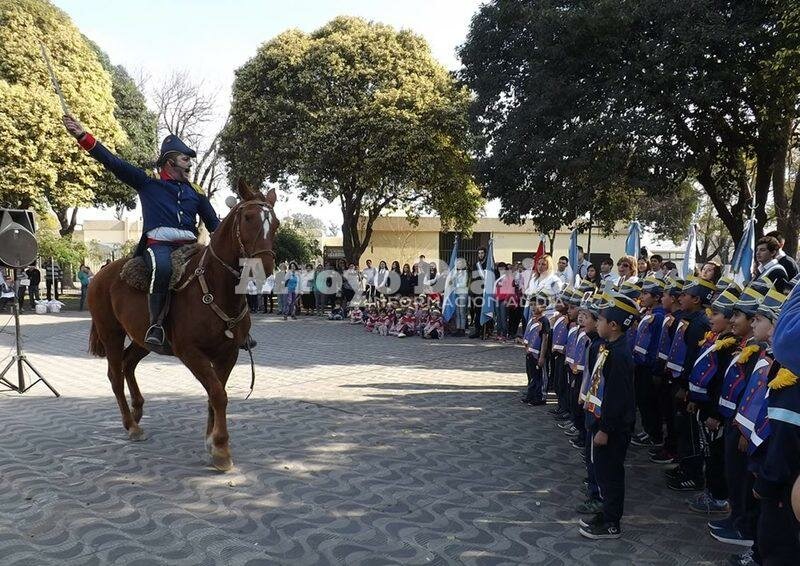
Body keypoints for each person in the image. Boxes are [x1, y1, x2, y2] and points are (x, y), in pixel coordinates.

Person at [63, 115, 220, 350]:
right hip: (159, 245)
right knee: (163, 268)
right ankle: (156, 325)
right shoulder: (148, 183)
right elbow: (113, 162)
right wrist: (83, 137)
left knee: (223, 269)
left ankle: (236, 326)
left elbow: (214, 225)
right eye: (185, 159)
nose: (189, 164)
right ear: (170, 162)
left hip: (190, 246)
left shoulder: (195, 193)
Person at [578, 291, 637, 540]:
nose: (596, 323)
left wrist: (605, 429)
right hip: (600, 421)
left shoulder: (620, 355)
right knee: (602, 473)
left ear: (613, 325)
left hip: (610, 428)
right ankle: (606, 512)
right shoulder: (609, 347)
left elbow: (617, 398)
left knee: (611, 475)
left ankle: (612, 522)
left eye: (600, 320)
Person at [630, 277, 666, 449]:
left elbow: (656, 344)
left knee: (648, 400)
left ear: (657, 297)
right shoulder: (648, 313)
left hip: (648, 366)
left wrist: (654, 368)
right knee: (643, 400)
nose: (641, 296)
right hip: (640, 364)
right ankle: (647, 429)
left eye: (645, 293)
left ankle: (654, 434)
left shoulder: (658, 317)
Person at [520, 289, 553, 405]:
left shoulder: (544, 321)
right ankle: (531, 394)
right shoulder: (532, 320)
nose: (533, 307)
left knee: (540, 376)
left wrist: (542, 356)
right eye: (532, 305)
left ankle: (540, 396)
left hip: (538, 354)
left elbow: (545, 339)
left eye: (536, 304)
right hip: (530, 353)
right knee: (531, 375)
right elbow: (527, 337)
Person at [469, 247, 488, 338]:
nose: (480, 255)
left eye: (482, 253)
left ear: (485, 254)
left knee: (486, 312)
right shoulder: (475, 265)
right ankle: (477, 331)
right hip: (477, 292)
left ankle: (486, 331)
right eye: (479, 253)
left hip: (486, 291)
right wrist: (472, 293)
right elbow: (473, 279)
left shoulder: (488, 264)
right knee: (477, 312)